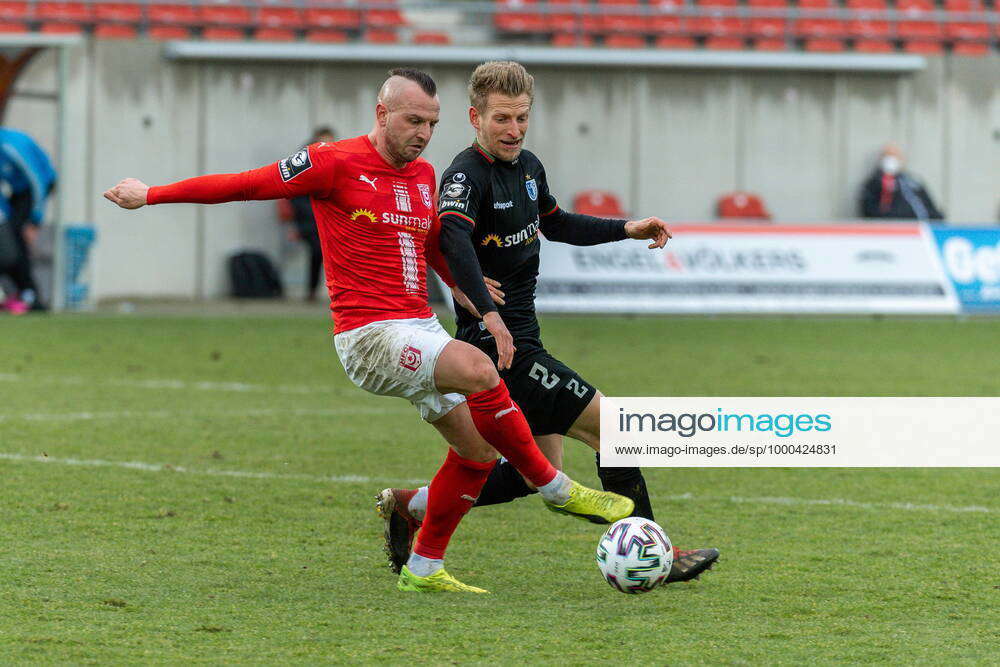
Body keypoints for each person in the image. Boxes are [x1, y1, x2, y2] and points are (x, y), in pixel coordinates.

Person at [103, 67, 633, 595]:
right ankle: (557, 488)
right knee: (478, 369)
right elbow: (245, 184)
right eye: (413, 120)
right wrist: (151, 194)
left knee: (477, 451)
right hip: (368, 333)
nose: (423, 134)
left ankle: (424, 568)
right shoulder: (330, 161)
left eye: (431, 123)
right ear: (382, 114)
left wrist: (464, 290)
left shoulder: (425, 177)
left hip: (417, 326)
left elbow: (430, 248)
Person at [379, 61, 719, 585]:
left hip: (523, 337)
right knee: (616, 429)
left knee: (525, 471)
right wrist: (487, 312)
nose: (513, 130)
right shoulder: (466, 176)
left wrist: (626, 229)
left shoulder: (529, 167)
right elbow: (452, 240)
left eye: (521, 117)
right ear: (475, 117)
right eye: (501, 119)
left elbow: (556, 222)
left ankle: (414, 507)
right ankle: (654, 552)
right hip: (499, 350)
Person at [0, 127, 57, 312]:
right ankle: (25, 293)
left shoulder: (11, 146)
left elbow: (37, 182)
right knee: (10, 235)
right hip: (17, 192)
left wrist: (35, 221)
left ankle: (31, 295)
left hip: (39, 186)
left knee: (16, 236)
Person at [285, 126, 336, 302]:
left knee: (325, 254)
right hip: (309, 220)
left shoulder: (335, 160)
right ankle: (313, 291)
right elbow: (294, 193)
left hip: (328, 218)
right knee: (317, 251)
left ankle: (325, 291)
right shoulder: (303, 161)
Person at [860, 144, 944, 221]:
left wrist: (936, 217)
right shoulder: (873, 184)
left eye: (894, 156)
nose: (891, 160)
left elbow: (928, 206)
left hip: (920, 228)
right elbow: (869, 211)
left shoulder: (913, 182)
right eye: (888, 156)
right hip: (893, 229)